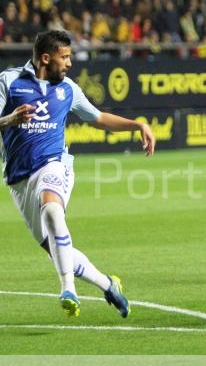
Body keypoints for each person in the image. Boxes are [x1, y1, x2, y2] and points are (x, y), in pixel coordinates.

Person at [0, 30, 155, 318]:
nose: (70, 63)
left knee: (52, 210)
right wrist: (10, 119)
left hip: (54, 163)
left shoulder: (68, 88)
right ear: (46, 58)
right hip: (18, 178)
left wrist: (137, 125)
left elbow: (98, 118)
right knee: (57, 250)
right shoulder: (9, 81)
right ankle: (108, 284)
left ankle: (68, 289)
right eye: (65, 57)